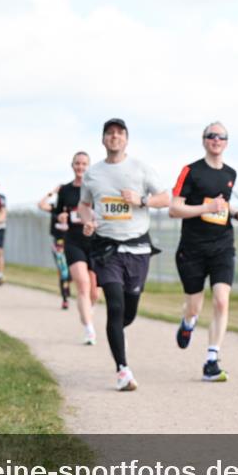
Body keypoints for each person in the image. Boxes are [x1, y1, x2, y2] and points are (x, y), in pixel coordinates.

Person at [78, 118, 169, 391]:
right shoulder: (93, 174)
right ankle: (122, 370)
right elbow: (84, 205)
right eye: (110, 133)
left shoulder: (140, 169)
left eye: (119, 133)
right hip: (107, 249)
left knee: (128, 311)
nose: (114, 137)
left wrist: (141, 200)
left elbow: (166, 198)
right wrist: (88, 220)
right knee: (115, 305)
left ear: (126, 139)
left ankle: (118, 332)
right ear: (103, 139)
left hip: (138, 249)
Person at [170, 121, 238, 382]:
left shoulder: (230, 173)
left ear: (227, 143)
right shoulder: (190, 171)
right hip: (192, 248)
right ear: (204, 140)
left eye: (221, 136)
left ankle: (212, 359)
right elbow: (174, 209)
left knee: (221, 300)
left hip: (222, 246)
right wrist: (206, 209)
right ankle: (187, 323)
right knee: (194, 306)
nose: (216, 140)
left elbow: (221, 208)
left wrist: (237, 214)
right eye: (211, 136)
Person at [38, 152, 100, 339]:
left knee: (94, 292)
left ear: (89, 166)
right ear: (72, 166)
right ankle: (89, 329)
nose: (80, 167)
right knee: (82, 284)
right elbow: (57, 212)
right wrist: (61, 216)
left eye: (84, 164)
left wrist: (94, 222)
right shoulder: (65, 190)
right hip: (73, 241)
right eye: (77, 163)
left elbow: (103, 213)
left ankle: (88, 311)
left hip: (95, 241)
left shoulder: (96, 188)